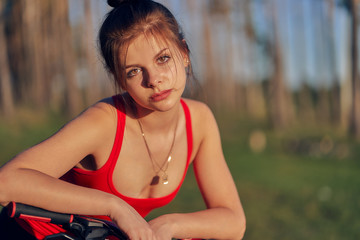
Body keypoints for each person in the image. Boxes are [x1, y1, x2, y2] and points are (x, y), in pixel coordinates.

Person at [0, 0, 246, 239]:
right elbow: (6, 182)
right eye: (134, 71)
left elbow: (234, 222)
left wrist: (169, 225)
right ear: (119, 79)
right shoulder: (104, 122)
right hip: (29, 234)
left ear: (184, 53)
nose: (153, 79)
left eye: (163, 58)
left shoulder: (199, 120)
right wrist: (114, 207)